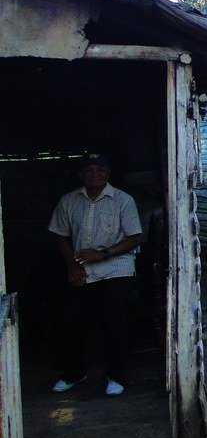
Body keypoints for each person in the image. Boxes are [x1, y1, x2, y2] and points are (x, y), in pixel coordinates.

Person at [48, 154, 142, 396]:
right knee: (73, 321)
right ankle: (74, 373)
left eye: (100, 170)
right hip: (83, 268)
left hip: (117, 267)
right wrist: (72, 266)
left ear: (108, 174)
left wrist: (103, 254)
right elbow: (60, 236)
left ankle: (117, 376)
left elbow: (134, 237)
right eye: (89, 170)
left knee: (115, 321)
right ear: (80, 175)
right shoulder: (69, 201)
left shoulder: (123, 200)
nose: (94, 175)